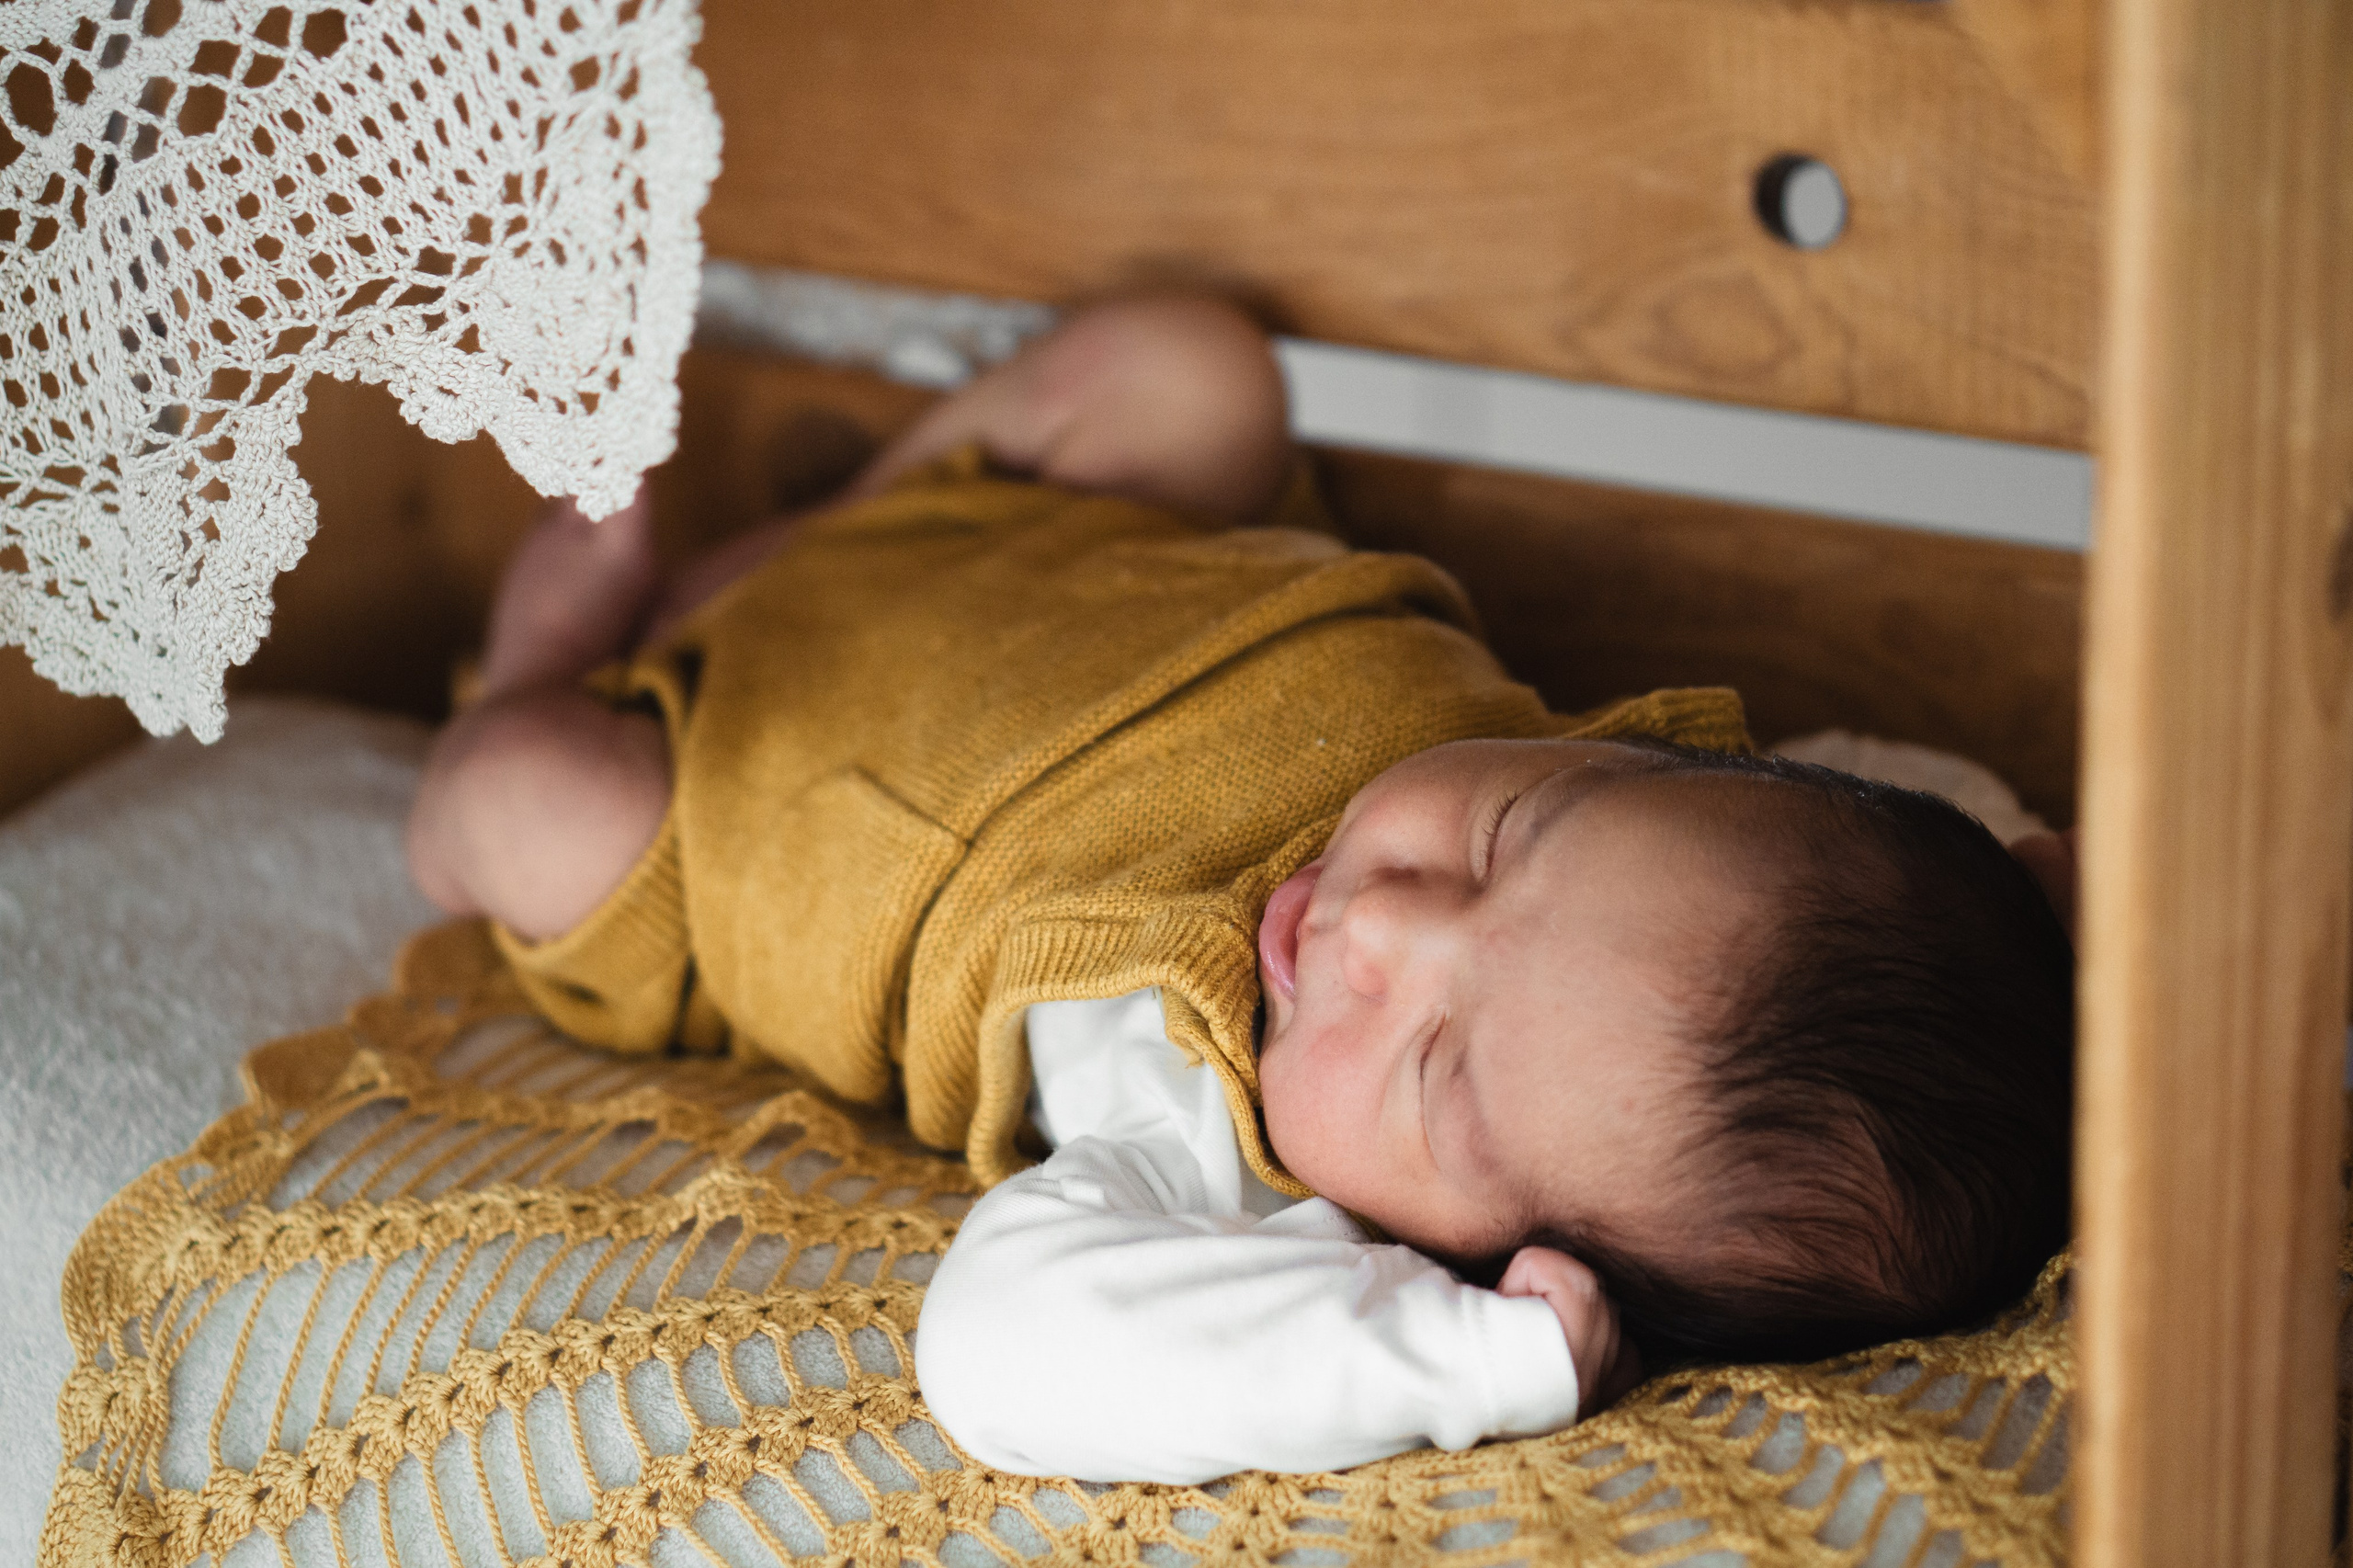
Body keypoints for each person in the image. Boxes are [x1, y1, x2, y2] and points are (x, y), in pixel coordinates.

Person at [406, 296, 2076, 1485]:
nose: (1382, 920)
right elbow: (1874, 834)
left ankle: (541, 671)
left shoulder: (1212, 1137)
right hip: (1006, 542)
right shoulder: (1692, 851)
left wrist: (1484, 1364)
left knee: (521, 802)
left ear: (1485, 1258)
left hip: (707, 795)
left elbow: (1007, 1353)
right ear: (1644, 752)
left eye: (1435, 1063)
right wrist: (2052, 922)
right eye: (1513, 838)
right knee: (1197, 368)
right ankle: (808, 535)